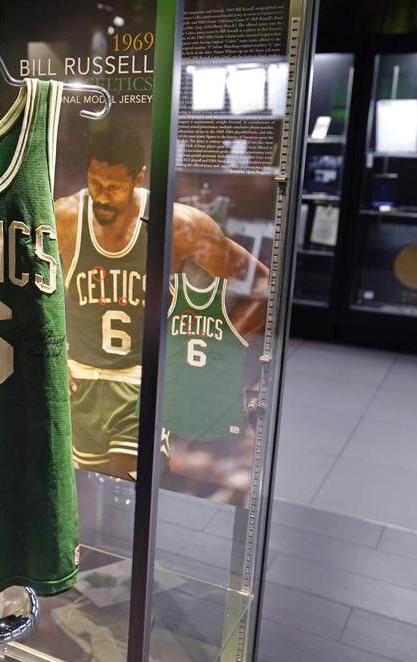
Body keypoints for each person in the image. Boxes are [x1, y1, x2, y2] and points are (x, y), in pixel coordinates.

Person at [54, 124, 268, 480]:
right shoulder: (66, 217)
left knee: (128, 487)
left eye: (114, 187)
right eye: (95, 183)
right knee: (87, 491)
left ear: (138, 178)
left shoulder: (178, 226)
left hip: (143, 383)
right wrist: (52, 353)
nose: (102, 197)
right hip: (80, 381)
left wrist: (218, 352)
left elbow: (260, 284)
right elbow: (28, 291)